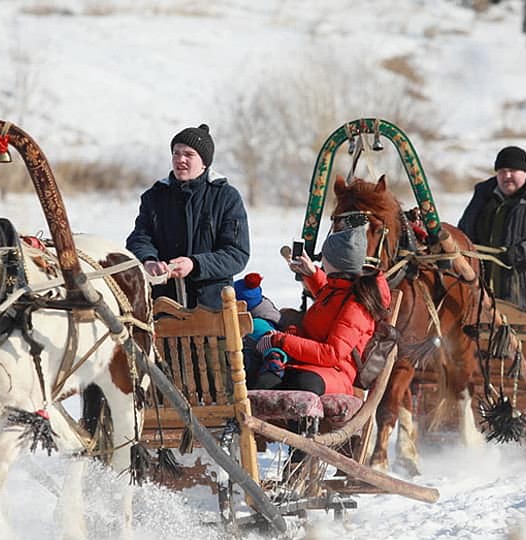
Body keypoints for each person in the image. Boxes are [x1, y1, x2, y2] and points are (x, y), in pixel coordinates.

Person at [253, 223, 391, 396]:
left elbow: (332, 353)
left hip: (336, 371)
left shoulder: (357, 306)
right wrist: (312, 274)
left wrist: (281, 341)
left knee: (300, 383)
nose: (322, 260)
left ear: (336, 263)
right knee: (264, 378)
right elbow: (332, 301)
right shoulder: (341, 288)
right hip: (311, 362)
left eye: (325, 256)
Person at [126, 124, 250, 309]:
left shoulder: (226, 197)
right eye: (176, 153)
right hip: (162, 305)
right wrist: (148, 260)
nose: (180, 159)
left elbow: (236, 254)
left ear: (204, 162)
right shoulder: (154, 196)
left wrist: (195, 264)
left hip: (211, 307)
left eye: (188, 154)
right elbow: (140, 238)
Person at [457, 145, 526, 312]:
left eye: (512, 170)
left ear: (525, 172)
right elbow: (464, 232)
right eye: (501, 171)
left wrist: (519, 253)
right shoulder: (482, 198)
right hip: (484, 299)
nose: (506, 176)